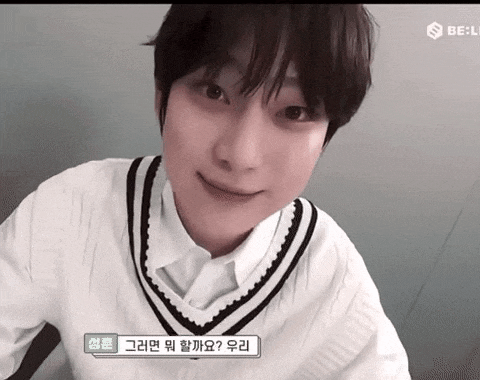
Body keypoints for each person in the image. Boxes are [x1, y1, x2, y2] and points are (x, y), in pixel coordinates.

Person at [0, 4, 411, 379]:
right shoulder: (75, 210)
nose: (240, 155)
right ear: (163, 93)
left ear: (325, 137)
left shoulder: (330, 282)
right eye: (215, 91)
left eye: (294, 111)